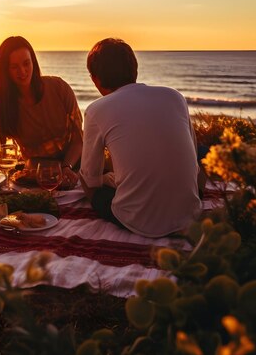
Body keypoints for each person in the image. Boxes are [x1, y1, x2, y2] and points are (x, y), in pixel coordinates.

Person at [79, 38, 201, 237]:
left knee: (87, 184)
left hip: (139, 221)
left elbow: (91, 179)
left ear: (95, 79)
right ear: (134, 69)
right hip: (188, 214)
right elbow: (193, 162)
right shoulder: (174, 97)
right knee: (201, 154)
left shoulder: (96, 110)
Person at [0, 36, 83, 189]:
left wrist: (66, 168)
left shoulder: (59, 88)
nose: (22, 71)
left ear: (33, 62)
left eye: (26, 63)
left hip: (73, 167)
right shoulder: (0, 103)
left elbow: (79, 140)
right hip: (33, 176)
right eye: (14, 67)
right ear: (5, 71)